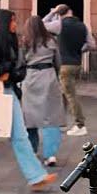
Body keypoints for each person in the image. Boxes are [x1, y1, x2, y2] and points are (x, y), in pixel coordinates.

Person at [0, 9, 57, 192]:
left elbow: (19, 70)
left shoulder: (9, 40)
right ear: (4, 22)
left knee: (20, 135)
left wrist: (11, 73)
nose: (16, 25)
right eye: (13, 21)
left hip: (8, 90)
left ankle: (36, 177)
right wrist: (9, 69)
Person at [42, 4, 95, 136]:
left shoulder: (59, 24)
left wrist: (53, 12)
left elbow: (42, 24)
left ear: (59, 14)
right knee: (64, 94)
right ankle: (60, 122)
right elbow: (91, 44)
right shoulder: (83, 26)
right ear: (70, 11)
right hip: (77, 63)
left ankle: (80, 125)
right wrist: (80, 50)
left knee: (70, 95)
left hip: (65, 64)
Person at [20, 16, 65, 167]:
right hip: (49, 77)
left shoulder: (25, 42)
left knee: (29, 118)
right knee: (50, 117)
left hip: (30, 77)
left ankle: (32, 150)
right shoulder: (51, 41)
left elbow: (20, 62)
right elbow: (58, 62)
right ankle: (50, 154)